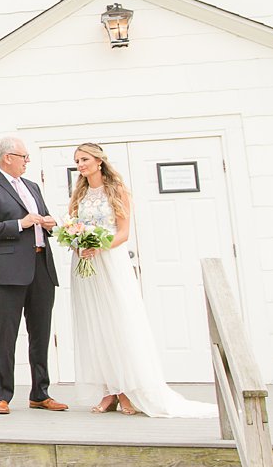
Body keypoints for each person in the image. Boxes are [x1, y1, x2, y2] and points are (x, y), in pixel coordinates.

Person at [68, 142, 215, 418]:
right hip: (85, 264)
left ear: (99, 161)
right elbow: (73, 227)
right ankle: (107, 391)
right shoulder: (80, 193)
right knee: (95, 326)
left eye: (84, 159)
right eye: (77, 161)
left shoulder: (117, 191)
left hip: (110, 261)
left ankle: (126, 390)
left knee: (117, 323)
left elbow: (123, 233)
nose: (80, 165)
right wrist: (78, 246)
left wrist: (98, 246)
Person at [0, 135, 68, 415]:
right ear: (8, 158)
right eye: (24, 157)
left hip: (41, 267)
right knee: (4, 336)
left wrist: (50, 224)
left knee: (40, 334)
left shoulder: (33, 186)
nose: (28, 161)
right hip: (8, 272)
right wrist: (19, 223)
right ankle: (2, 396)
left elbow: (44, 219)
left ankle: (40, 393)